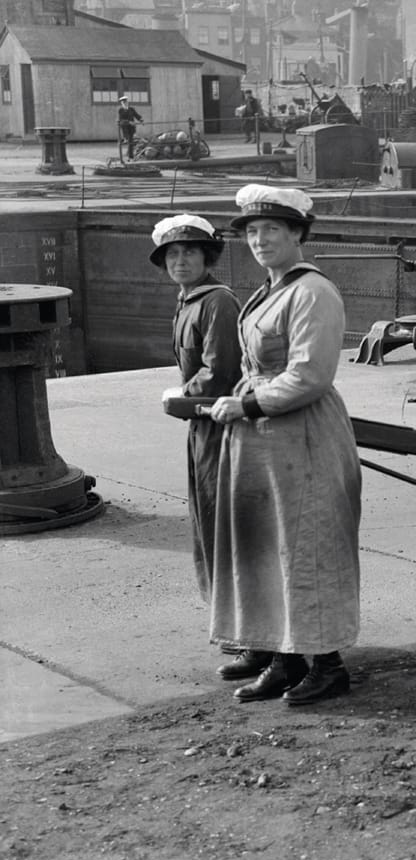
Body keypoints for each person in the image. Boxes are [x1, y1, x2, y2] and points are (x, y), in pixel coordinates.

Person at [209, 184, 363, 703]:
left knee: (308, 544)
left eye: (271, 229)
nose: (259, 240)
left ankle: (328, 665)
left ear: (298, 233)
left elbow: (310, 375)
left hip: (303, 435)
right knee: (272, 545)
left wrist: (248, 405)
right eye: (252, 232)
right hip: (264, 439)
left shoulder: (311, 291)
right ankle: (284, 656)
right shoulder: (268, 288)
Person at [152, 216, 245, 674]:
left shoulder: (218, 302)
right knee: (207, 519)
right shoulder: (188, 301)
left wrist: (181, 395)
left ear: (207, 258)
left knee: (228, 523)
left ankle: (248, 630)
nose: (180, 261)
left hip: (224, 424)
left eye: (189, 253)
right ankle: (230, 621)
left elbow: (221, 370)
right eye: (172, 255)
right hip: (202, 426)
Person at [117, 95, 143, 161]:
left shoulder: (131, 109)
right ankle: (125, 138)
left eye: (126, 102)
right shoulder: (120, 110)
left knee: (131, 143)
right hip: (125, 128)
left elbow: (136, 115)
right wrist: (129, 122)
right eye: (123, 102)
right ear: (122, 103)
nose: (125, 103)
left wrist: (141, 120)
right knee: (129, 141)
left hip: (131, 128)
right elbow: (121, 119)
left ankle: (130, 157)